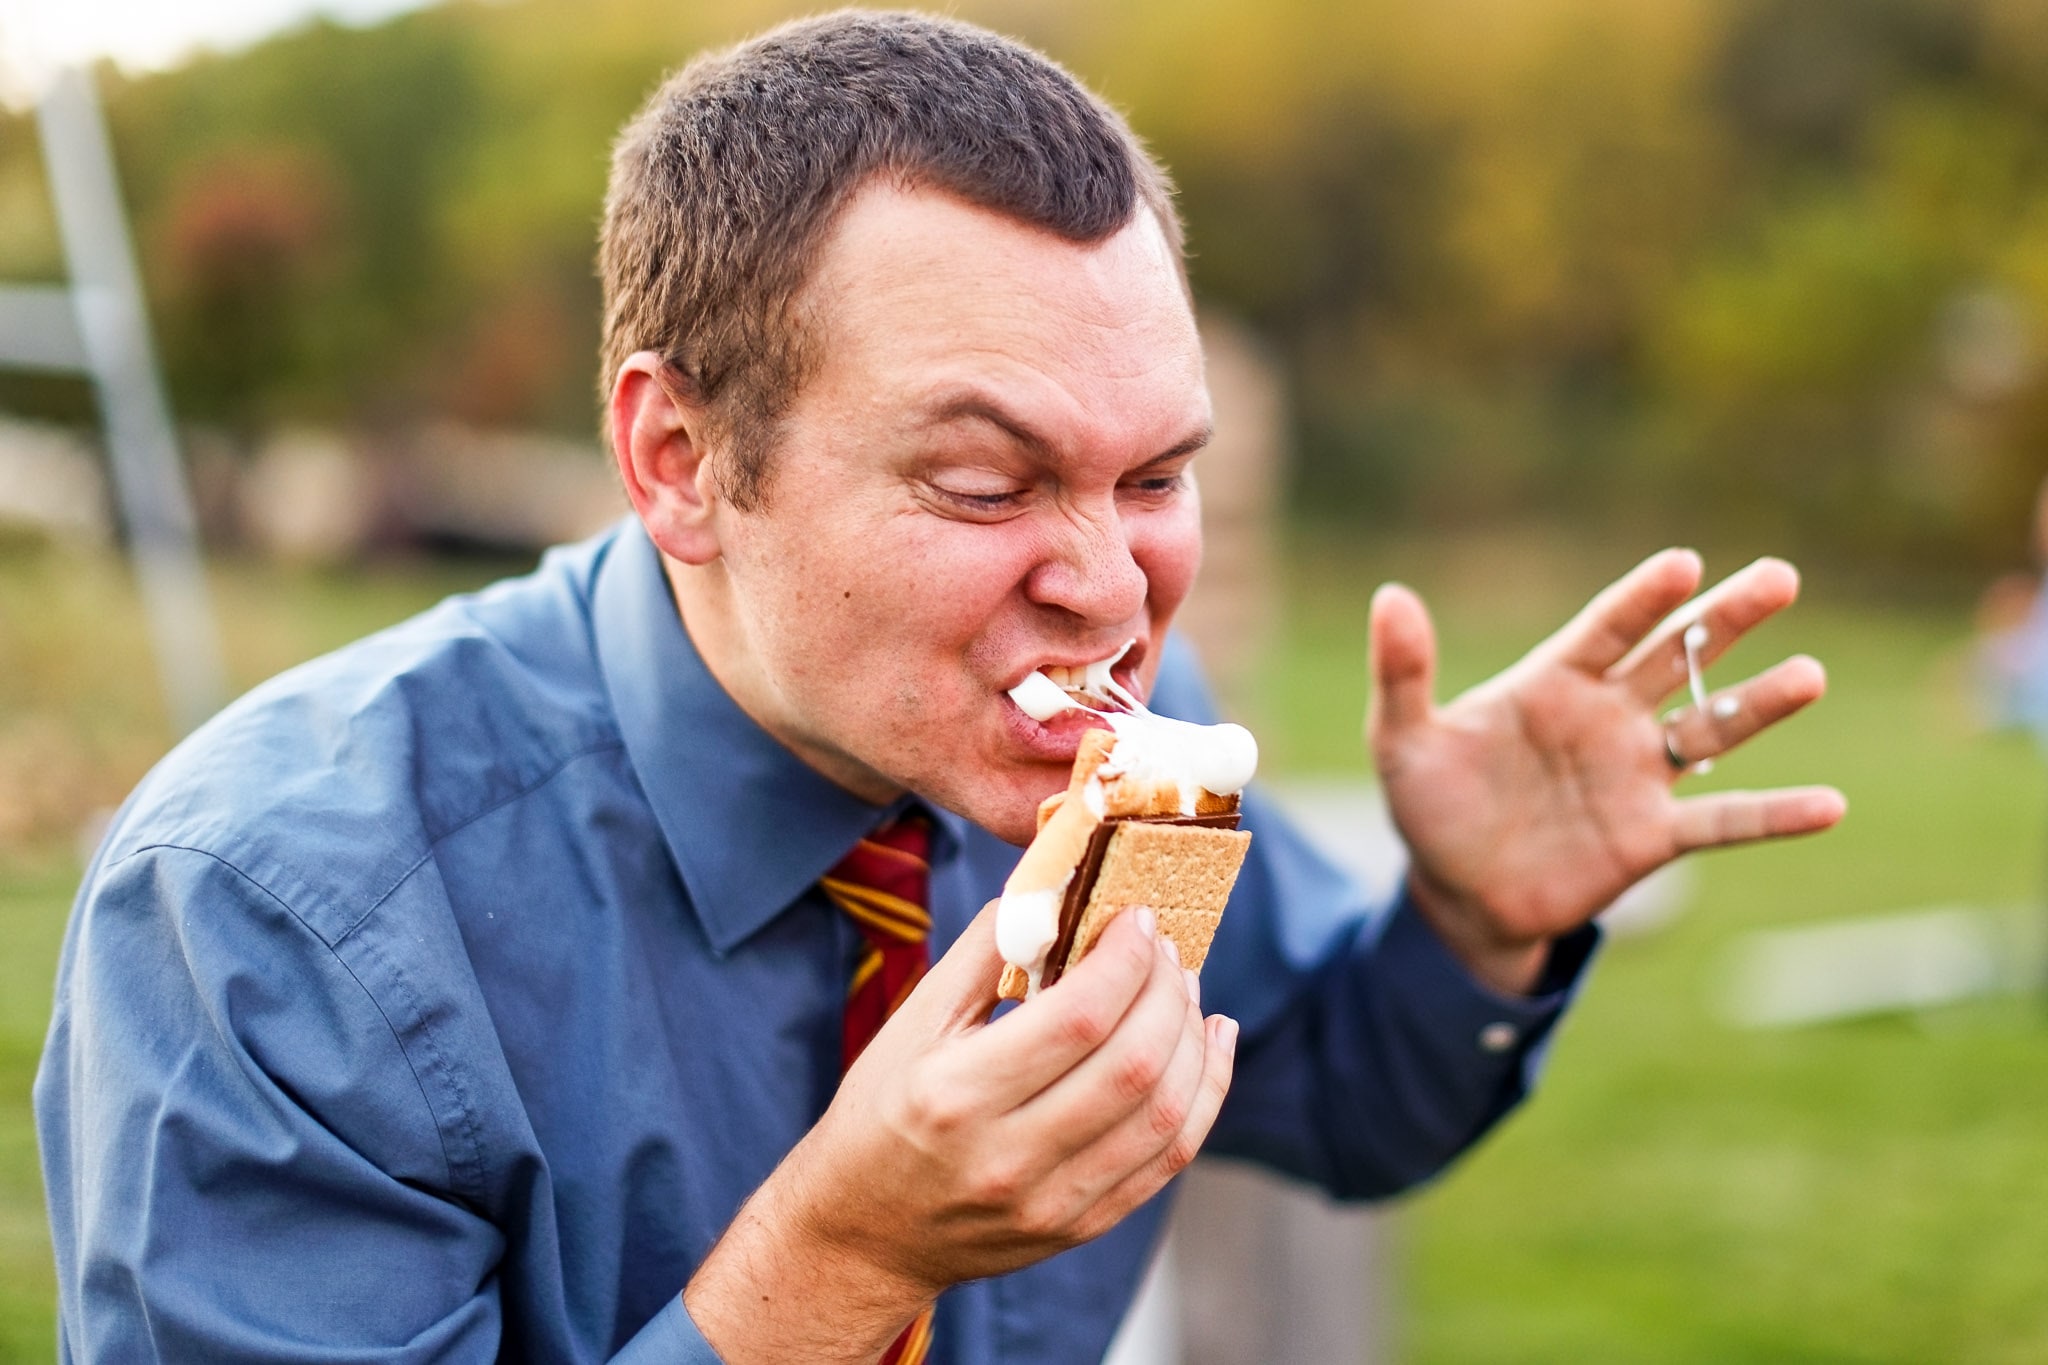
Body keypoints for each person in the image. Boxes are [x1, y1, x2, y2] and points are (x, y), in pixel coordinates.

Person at [34, 12, 1843, 1363]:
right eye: (987, 482)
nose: (1111, 587)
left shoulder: (1113, 739)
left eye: (1157, 474)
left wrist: (1476, 926)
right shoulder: (274, 913)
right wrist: (839, 1265)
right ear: (679, 460)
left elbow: (1332, 1095)